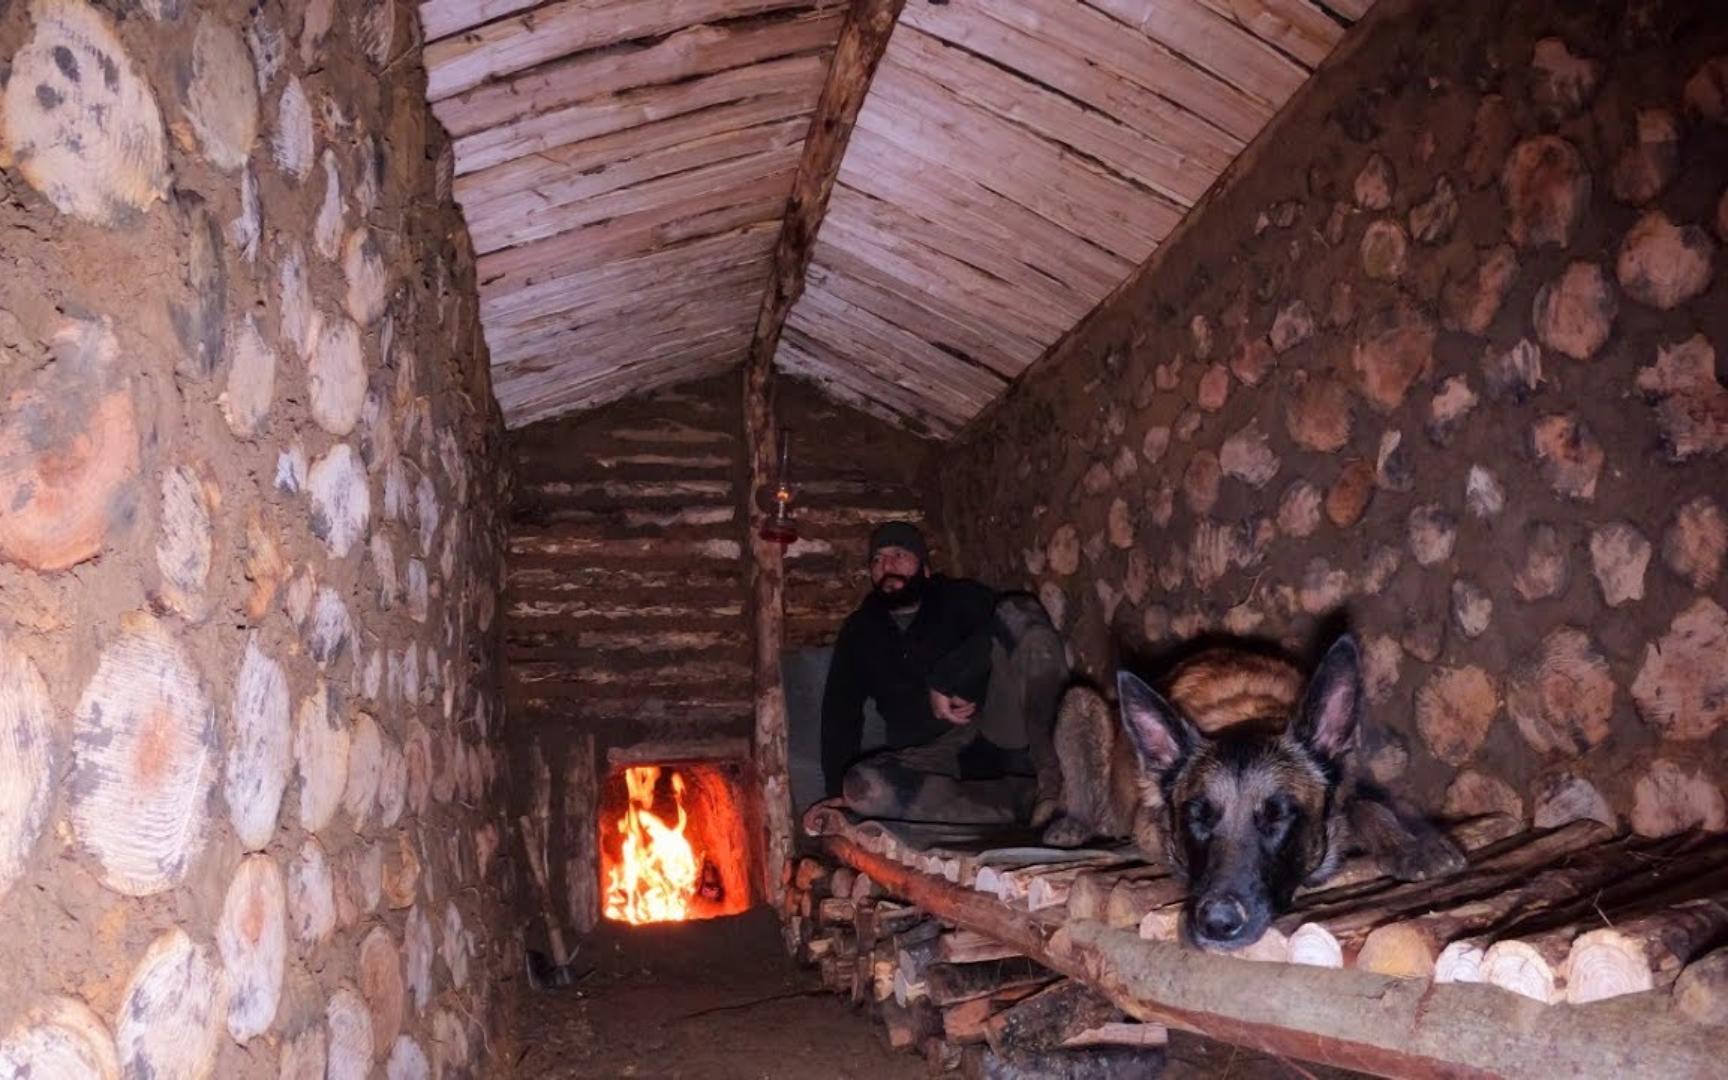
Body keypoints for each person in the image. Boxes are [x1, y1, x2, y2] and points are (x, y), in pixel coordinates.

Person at [820, 521, 1068, 827]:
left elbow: (1013, 623)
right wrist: (835, 792)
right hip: (930, 758)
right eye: (877, 559)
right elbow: (840, 714)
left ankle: (1055, 783)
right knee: (862, 790)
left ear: (924, 567)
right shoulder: (860, 631)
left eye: (899, 555)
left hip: (997, 728)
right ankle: (1020, 803)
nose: (887, 566)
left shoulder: (961, 598)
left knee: (1019, 612)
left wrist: (949, 678)